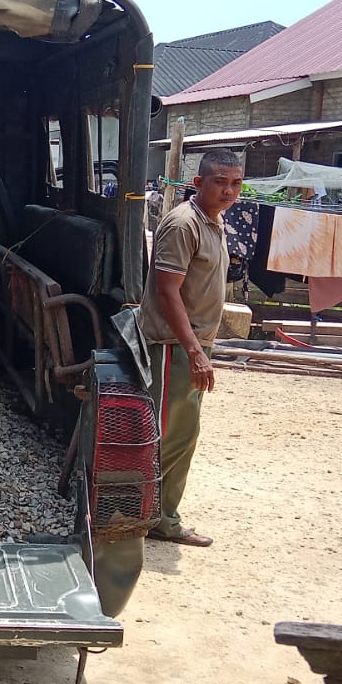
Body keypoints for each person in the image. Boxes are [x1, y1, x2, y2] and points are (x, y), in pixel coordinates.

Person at [136, 149, 244, 547]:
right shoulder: (184, 223)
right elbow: (168, 291)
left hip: (191, 345)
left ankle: (159, 516)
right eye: (220, 182)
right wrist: (195, 351)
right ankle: (150, 518)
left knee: (182, 436)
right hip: (174, 347)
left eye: (236, 183)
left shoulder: (213, 221)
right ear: (198, 183)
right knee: (167, 435)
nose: (229, 191)